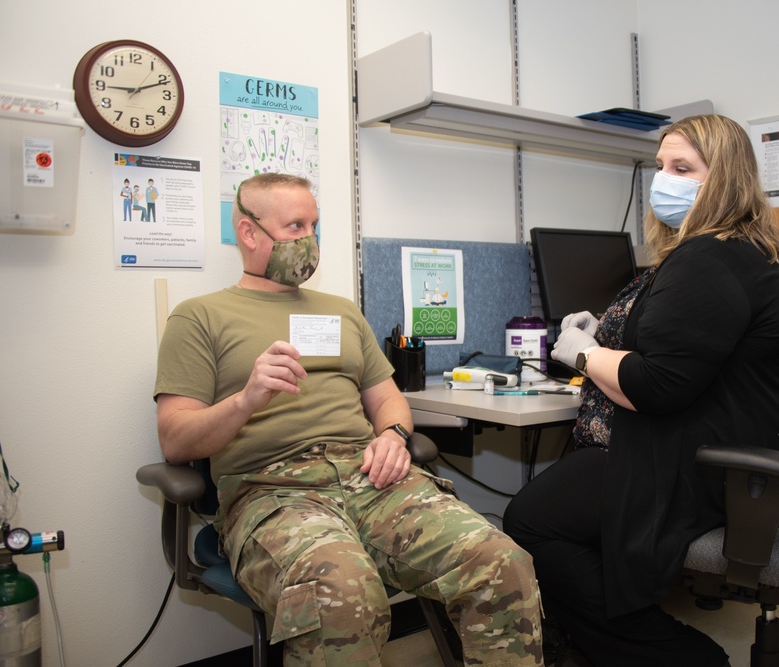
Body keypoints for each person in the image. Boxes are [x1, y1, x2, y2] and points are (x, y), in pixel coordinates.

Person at [155, 173, 543, 666]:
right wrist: (246, 399)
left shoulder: (341, 312)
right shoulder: (199, 317)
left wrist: (394, 435)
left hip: (370, 478)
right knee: (339, 590)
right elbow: (174, 440)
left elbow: (388, 400)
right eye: (294, 226)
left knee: (500, 562)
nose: (309, 240)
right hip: (272, 490)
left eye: (314, 226)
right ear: (249, 233)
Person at [503, 114, 779, 667]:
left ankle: (676, 657)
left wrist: (584, 354)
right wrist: (609, 336)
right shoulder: (732, 252)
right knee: (560, 508)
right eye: (661, 166)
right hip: (721, 451)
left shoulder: (710, 260)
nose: (664, 179)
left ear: (725, 179)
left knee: (531, 520)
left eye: (683, 168)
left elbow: (656, 386)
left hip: (705, 465)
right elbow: (678, 352)